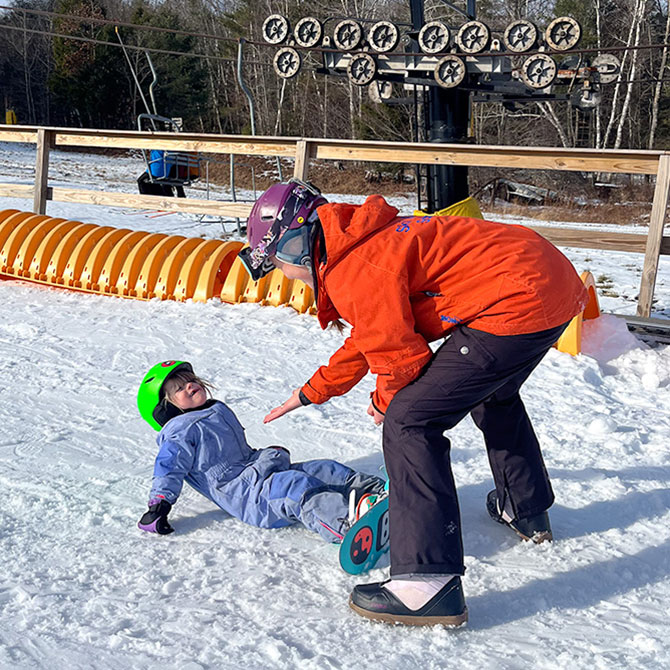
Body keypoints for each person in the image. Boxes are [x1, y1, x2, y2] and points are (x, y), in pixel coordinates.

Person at [238, 179, 589, 627]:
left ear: (297, 242)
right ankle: (525, 508)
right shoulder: (358, 243)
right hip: (549, 281)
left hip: (516, 300)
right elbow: (371, 334)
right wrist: (313, 390)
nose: (285, 273)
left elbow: (400, 357)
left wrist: (386, 402)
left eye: (280, 262)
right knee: (492, 391)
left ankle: (427, 582)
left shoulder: (352, 268)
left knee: (409, 421)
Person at [136, 360, 385, 542]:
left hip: (259, 471)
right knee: (296, 486)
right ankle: (346, 524)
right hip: (245, 495)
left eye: (190, 379)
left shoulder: (214, 409)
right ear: (165, 408)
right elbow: (168, 467)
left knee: (324, 469)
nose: (189, 385)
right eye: (178, 388)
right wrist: (159, 506)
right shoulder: (178, 431)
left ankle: (377, 492)